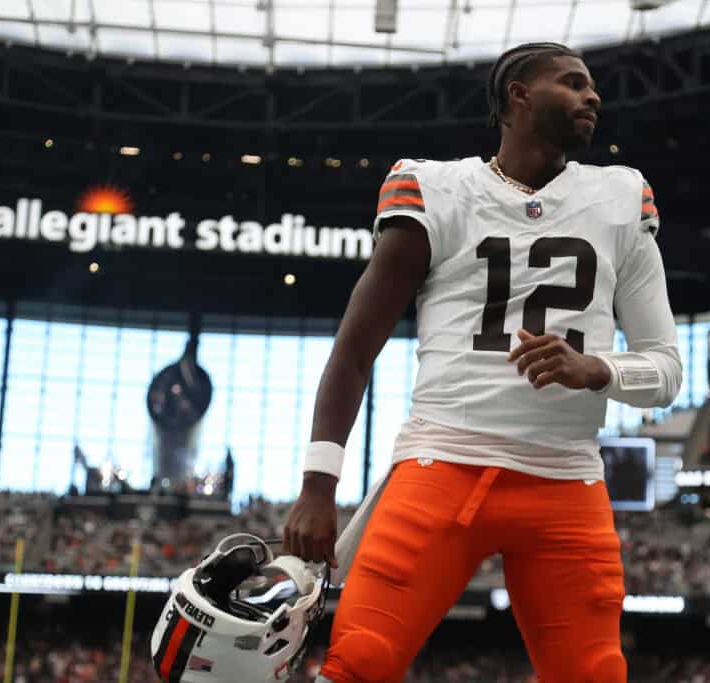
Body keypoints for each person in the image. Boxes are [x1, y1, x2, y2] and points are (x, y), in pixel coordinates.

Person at [284, 42, 682, 683]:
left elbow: (666, 369)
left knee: (595, 673)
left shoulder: (620, 196)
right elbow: (357, 346)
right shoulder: (435, 187)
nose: (593, 96)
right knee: (359, 661)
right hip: (444, 462)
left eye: (593, 86)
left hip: (566, 480)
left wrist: (598, 369)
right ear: (518, 96)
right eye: (573, 83)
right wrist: (316, 486)